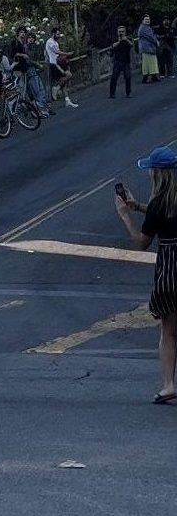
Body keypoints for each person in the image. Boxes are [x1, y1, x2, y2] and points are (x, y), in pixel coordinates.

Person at [116, 146, 177, 404]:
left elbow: (142, 242)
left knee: (169, 330)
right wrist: (139, 205)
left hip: (171, 268)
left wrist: (126, 215)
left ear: (157, 174)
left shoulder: (158, 205)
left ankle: (168, 384)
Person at [44, 28, 78, 108]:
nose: (59, 36)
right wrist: (66, 53)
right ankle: (56, 88)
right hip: (54, 64)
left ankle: (67, 100)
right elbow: (56, 51)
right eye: (57, 34)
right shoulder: (50, 42)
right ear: (53, 34)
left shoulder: (55, 42)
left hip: (58, 62)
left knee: (64, 83)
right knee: (68, 75)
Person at [109, 26, 134, 98]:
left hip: (126, 61)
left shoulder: (128, 39)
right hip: (117, 61)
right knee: (114, 78)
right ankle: (112, 94)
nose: (121, 33)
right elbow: (113, 46)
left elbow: (132, 45)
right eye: (119, 31)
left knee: (128, 77)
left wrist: (125, 40)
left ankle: (128, 93)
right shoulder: (115, 39)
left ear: (125, 32)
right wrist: (119, 41)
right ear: (117, 32)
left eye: (122, 31)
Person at [138, 15, 160, 84]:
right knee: (148, 63)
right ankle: (148, 77)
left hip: (148, 48)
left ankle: (153, 76)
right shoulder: (143, 28)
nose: (148, 20)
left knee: (151, 62)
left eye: (148, 19)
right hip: (147, 48)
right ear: (143, 21)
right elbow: (151, 37)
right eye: (146, 19)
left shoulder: (146, 27)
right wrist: (156, 41)